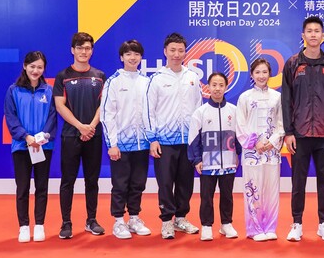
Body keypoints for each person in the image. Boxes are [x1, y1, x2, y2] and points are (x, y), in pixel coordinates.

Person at [282, 15, 324, 242]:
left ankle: (323, 223)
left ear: (323, 36)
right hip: (299, 134)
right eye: (310, 31)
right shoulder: (292, 64)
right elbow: (286, 101)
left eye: (318, 31)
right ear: (303, 36)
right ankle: (296, 223)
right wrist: (289, 132)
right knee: (298, 181)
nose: (314, 34)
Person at [145, 32, 203, 239]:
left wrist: (198, 140)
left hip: (188, 141)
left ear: (185, 52)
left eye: (180, 50)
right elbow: (149, 110)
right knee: (166, 182)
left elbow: (199, 109)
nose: (177, 54)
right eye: (173, 50)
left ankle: (181, 218)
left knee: (186, 181)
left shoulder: (192, 77)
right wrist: (152, 139)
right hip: (164, 141)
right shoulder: (156, 79)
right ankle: (167, 221)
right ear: (165, 52)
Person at [54, 32, 106, 239]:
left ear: (92, 51)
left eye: (87, 48)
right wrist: (80, 127)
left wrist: (91, 126)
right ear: (72, 50)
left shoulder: (100, 76)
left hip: (94, 135)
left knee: (92, 180)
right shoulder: (63, 76)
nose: (84, 51)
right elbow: (60, 105)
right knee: (68, 180)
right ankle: (66, 223)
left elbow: (104, 106)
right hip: (70, 136)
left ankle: (91, 220)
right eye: (80, 48)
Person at [4, 51, 57, 243]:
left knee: (42, 187)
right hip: (21, 146)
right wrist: (25, 136)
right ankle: (24, 226)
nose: (36, 70)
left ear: (44, 69)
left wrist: (43, 136)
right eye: (32, 66)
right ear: (25, 66)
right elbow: (11, 117)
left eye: (40, 67)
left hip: (44, 146)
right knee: (23, 187)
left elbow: (52, 117)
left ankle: (39, 225)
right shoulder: (13, 90)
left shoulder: (49, 90)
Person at [101, 40, 152, 239]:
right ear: (121, 57)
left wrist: (151, 139)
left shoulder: (147, 81)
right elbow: (107, 114)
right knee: (120, 184)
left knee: (138, 183)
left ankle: (134, 218)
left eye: (136, 54)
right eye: (128, 54)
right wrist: (112, 144)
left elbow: (151, 113)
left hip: (143, 144)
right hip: (121, 145)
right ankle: (118, 221)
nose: (133, 58)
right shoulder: (113, 81)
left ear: (141, 57)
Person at [236, 58, 285, 242]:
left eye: (265, 72)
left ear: (269, 74)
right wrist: (254, 143)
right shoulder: (245, 98)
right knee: (253, 189)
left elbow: (281, 123)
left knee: (271, 190)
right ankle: (255, 229)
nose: (261, 76)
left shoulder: (277, 97)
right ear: (252, 75)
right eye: (258, 72)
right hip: (252, 152)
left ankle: (271, 227)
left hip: (272, 152)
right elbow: (240, 124)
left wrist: (272, 142)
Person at [188, 72, 240, 241]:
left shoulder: (234, 111)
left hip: (229, 163)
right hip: (208, 164)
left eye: (221, 85)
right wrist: (197, 160)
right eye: (214, 85)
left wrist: (239, 155)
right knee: (206, 196)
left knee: (227, 195)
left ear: (226, 87)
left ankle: (226, 224)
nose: (217, 88)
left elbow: (239, 137)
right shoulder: (200, 112)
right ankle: (207, 225)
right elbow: (193, 140)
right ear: (208, 87)